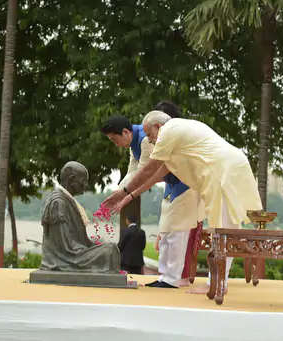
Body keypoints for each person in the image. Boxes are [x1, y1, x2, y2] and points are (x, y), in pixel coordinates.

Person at [103, 109, 262, 294]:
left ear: (158, 126)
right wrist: (127, 196)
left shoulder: (170, 131)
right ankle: (216, 282)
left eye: (150, 135)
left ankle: (216, 284)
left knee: (223, 229)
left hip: (223, 171)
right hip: (223, 170)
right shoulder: (175, 133)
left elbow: (149, 169)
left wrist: (124, 192)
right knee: (223, 229)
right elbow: (158, 172)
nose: (150, 140)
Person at [152, 100, 204, 287]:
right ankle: (164, 276)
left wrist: (132, 190)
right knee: (166, 231)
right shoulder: (161, 138)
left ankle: (173, 278)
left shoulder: (183, 136)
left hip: (187, 187)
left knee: (178, 234)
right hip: (171, 188)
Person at [40, 161, 120, 273]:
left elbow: (77, 241)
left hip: (74, 253)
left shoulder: (67, 201)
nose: (86, 185)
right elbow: (65, 247)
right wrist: (90, 250)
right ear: (72, 180)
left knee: (110, 248)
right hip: (66, 258)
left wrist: (92, 247)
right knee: (110, 250)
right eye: (84, 181)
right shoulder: (58, 202)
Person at [100, 115, 153, 189]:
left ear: (125, 132)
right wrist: (118, 191)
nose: (116, 145)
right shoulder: (133, 143)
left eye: (115, 140)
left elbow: (142, 173)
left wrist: (121, 194)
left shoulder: (145, 139)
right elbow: (132, 172)